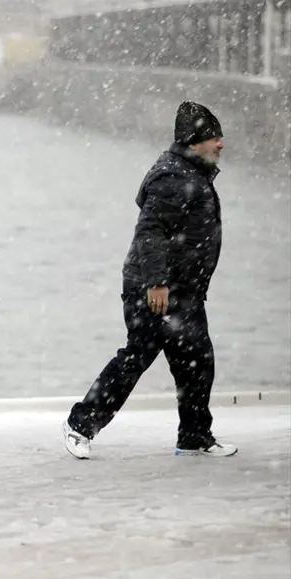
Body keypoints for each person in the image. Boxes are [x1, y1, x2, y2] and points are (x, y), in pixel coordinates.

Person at [62, 101, 237, 459]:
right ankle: (79, 425)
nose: (221, 144)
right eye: (214, 137)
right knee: (136, 358)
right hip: (156, 290)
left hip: (184, 290)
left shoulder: (191, 172)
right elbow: (151, 232)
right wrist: (157, 283)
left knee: (197, 362)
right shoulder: (175, 177)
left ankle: (193, 436)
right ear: (193, 141)